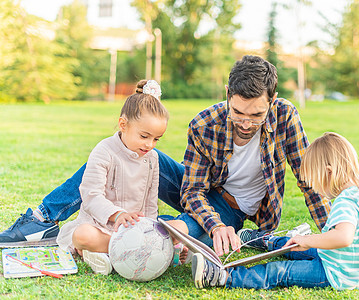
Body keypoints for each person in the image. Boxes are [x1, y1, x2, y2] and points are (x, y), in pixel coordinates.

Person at [0, 55, 331, 257]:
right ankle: (42, 220)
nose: (246, 123)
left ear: (272, 101)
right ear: (227, 95)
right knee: (114, 154)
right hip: (200, 192)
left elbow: (308, 179)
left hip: (233, 209)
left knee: (175, 233)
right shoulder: (205, 123)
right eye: (238, 113)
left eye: (256, 115)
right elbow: (192, 191)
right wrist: (211, 224)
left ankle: (110, 241)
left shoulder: (285, 116)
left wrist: (330, 233)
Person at [191, 132, 359, 290]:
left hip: (336, 272)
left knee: (280, 271)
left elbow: (343, 238)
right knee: (292, 244)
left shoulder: (345, 202)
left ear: (329, 172)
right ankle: (263, 240)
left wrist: (307, 240)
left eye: (314, 181)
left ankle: (224, 277)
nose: (314, 188)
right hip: (346, 264)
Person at [56, 79, 188, 275]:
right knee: (82, 236)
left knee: (181, 227)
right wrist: (117, 214)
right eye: (144, 136)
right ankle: (140, 253)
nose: (150, 144)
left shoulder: (152, 158)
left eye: (156, 139)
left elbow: (151, 204)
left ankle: (129, 252)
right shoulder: (104, 151)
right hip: (103, 227)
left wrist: (151, 233)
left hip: (137, 230)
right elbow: (91, 195)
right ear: (123, 124)